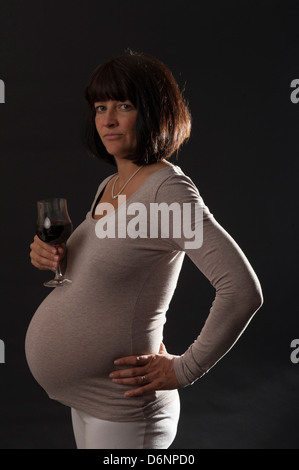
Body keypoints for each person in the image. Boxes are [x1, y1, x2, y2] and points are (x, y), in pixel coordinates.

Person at [27, 51, 263, 449]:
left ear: (155, 111)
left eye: (124, 105)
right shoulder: (110, 185)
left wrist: (185, 370)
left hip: (126, 409)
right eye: (100, 106)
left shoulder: (165, 190)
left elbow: (242, 291)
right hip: (88, 402)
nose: (108, 119)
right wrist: (57, 257)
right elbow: (111, 270)